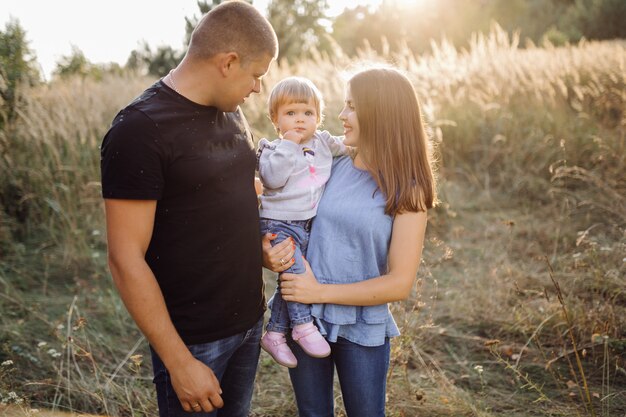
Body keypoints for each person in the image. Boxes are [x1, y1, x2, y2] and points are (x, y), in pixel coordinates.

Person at [100, 2, 278, 416]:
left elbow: (228, 200)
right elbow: (124, 259)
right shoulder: (139, 130)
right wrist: (180, 363)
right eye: (256, 76)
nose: (256, 89)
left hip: (249, 322)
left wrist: (259, 249)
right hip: (193, 341)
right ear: (228, 62)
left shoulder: (231, 113)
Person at [263, 66, 437, 417]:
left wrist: (320, 292)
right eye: (344, 105)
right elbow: (286, 216)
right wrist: (268, 252)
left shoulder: (407, 189)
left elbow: (400, 283)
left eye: (352, 107)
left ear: (381, 113)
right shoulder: (331, 164)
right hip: (306, 319)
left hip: (362, 324)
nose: (341, 115)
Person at [257, 77, 350, 368]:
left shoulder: (323, 141)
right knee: (296, 273)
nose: (300, 120)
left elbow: (348, 148)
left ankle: (273, 334)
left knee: (289, 279)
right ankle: (302, 326)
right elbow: (273, 179)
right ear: (275, 119)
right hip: (277, 224)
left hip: (306, 225)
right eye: (291, 113)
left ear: (318, 118)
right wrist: (289, 144)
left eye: (308, 113)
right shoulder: (272, 150)